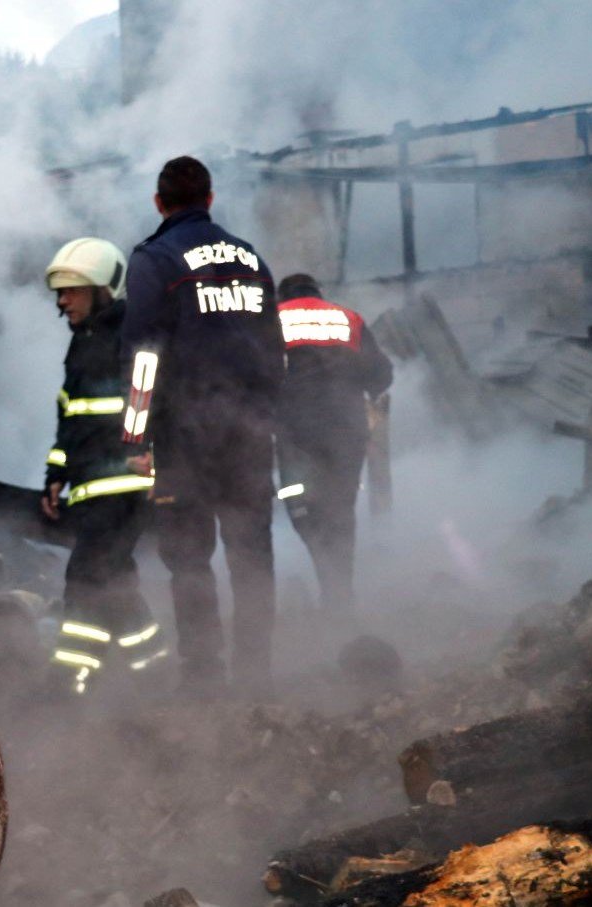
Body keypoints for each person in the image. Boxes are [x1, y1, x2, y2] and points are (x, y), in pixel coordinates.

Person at [120, 156, 285, 693]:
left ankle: (204, 680)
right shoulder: (251, 258)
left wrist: (135, 435)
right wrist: (267, 420)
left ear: (159, 203)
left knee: (190, 558)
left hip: (185, 437)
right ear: (210, 199)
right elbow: (272, 350)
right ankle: (258, 673)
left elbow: (144, 355)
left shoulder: (155, 258)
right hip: (250, 433)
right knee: (252, 553)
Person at [39, 238, 165, 696]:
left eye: (72, 291)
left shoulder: (128, 336)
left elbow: (152, 401)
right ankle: (152, 672)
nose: (62, 301)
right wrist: (54, 476)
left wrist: (152, 458)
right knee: (115, 578)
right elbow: (70, 417)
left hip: (125, 484)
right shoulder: (82, 344)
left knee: (86, 577)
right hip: (90, 485)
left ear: (103, 291)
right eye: (60, 292)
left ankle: (69, 682)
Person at [275, 274, 391, 613]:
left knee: (300, 507)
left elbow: (251, 375)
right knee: (341, 509)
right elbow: (382, 375)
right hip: (346, 430)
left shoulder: (271, 321)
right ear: (319, 293)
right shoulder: (348, 319)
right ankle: (339, 591)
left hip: (296, 434)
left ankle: (325, 572)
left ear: (282, 295)